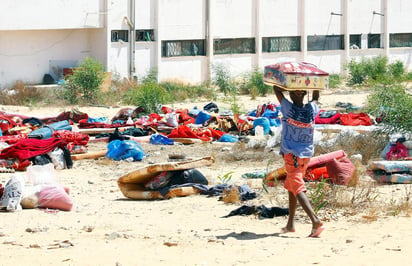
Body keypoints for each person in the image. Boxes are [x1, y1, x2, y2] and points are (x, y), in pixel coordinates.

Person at [273, 85, 324, 237]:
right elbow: (316, 98)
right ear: (303, 94)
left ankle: (315, 221)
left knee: (297, 186)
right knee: (291, 185)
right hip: (306, 155)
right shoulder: (311, 109)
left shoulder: (288, 108)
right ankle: (290, 224)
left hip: (292, 154)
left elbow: (276, 90)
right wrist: (314, 86)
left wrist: (283, 83)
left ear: (292, 95)